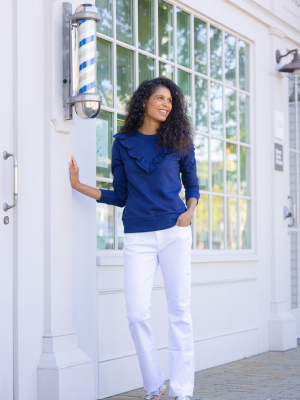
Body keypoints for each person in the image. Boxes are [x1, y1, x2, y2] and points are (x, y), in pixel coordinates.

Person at [69, 77, 200, 400]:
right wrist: (79, 185)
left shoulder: (180, 141)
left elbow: (193, 185)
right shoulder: (123, 142)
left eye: (170, 100)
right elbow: (121, 195)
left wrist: (189, 212)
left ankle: (181, 391)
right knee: (137, 314)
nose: (166, 104)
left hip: (174, 232)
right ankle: (154, 386)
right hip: (138, 237)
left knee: (179, 311)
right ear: (144, 101)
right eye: (160, 98)